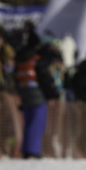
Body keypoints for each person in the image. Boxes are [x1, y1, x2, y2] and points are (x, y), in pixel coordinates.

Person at [14, 25, 57, 159]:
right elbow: (44, 78)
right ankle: (33, 151)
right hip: (37, 94)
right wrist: (51, 94)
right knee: (37, 123)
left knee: (27, 122)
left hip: (24, 91)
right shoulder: (37, 59)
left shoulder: (20, 57)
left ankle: (26, 149)